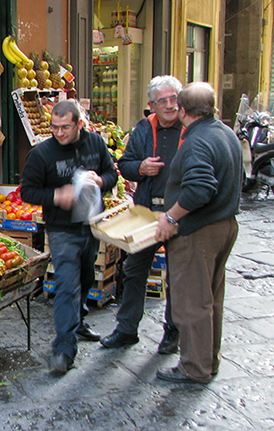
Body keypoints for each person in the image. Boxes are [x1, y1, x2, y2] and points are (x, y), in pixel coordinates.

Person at [21, 100, 118, 374]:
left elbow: (112, 174)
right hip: (62, 229)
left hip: (92, 225)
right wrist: (54, 196)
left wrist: (101, 181)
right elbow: (27, 191)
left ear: (79, 124)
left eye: (65, 127)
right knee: (66, 284)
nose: (59, 133)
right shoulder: (41, 154)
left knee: (87, 277)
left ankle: (78, 320)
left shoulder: (96, 144)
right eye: (54, 127)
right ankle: (64, 349)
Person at [154, 82, 241, 384]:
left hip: (199, 232)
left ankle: (194, 368)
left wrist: (171, 217)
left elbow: (200, 188)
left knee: (192, 303)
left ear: (183, 110)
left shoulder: (197, 141)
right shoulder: (226, 133)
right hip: (224, 225)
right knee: (211, 299)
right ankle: (208, 362)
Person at [100, 75, 183, 353]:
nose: (170, 105)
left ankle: (173, 330)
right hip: (148, 212)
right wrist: (141, 167)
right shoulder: (144, 129)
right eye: (164, 101)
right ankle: (126, 330)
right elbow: (125, 164)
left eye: (174, 99)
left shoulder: (190, 127)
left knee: (178, 275)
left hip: (179, 213)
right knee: (134, 270)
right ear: (152, 105)